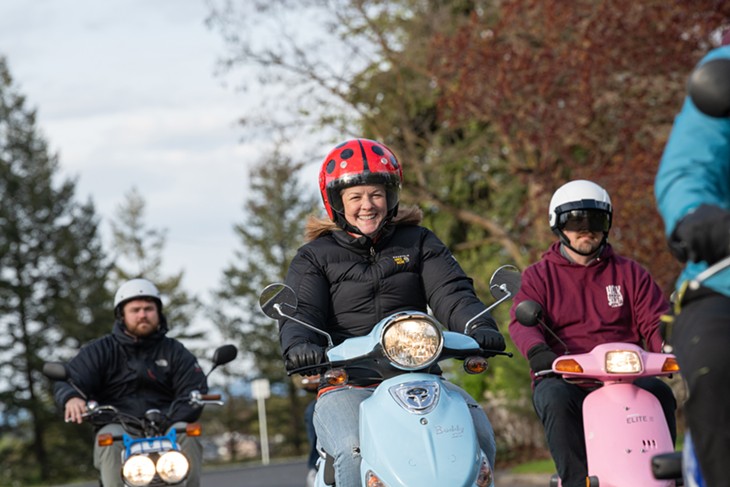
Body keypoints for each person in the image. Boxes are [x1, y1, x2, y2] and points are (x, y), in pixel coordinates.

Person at [278, 138, 506, 487]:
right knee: (353, 450)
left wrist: (478, 324)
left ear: (391, 197)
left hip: (423, 381)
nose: (367, 205)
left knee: (479, 436)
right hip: (349, 384)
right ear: (337, 203)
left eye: (376, 194)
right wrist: (299, 344)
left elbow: (452, 292)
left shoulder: (418, 242)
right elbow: (302, 310)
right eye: (355, 197)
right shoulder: (315, 256)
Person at [508, 179, 677, 487]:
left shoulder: (631, 273)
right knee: (553, 397)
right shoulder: (538, 276)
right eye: (575, 220)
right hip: (570, 378)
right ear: (557, 225)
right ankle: (576, 481)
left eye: (595, 220)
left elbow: (655, 319)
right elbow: (523, 322)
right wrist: (538, 352)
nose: (586, 229)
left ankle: (664, 477)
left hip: (628, 377)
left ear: (607, 224)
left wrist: (667, 344)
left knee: (659, 391)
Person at [654, 40, 730, 487]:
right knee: (715, 364)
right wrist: (694, 213)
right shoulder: (723, 71)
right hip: (722, 280)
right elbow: (687, 168)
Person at [53, 278, 207, 487]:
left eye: (148, 309)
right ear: (121, 315)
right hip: (120, 425)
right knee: (110, 437)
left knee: (187, 430)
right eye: (135, 310)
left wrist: (181, 409)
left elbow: (193, 386)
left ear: (158, 313)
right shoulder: (101, 350)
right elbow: (71, 378)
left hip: (167, 424)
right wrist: (71, 397)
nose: (142, 314)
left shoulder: (174, 351)